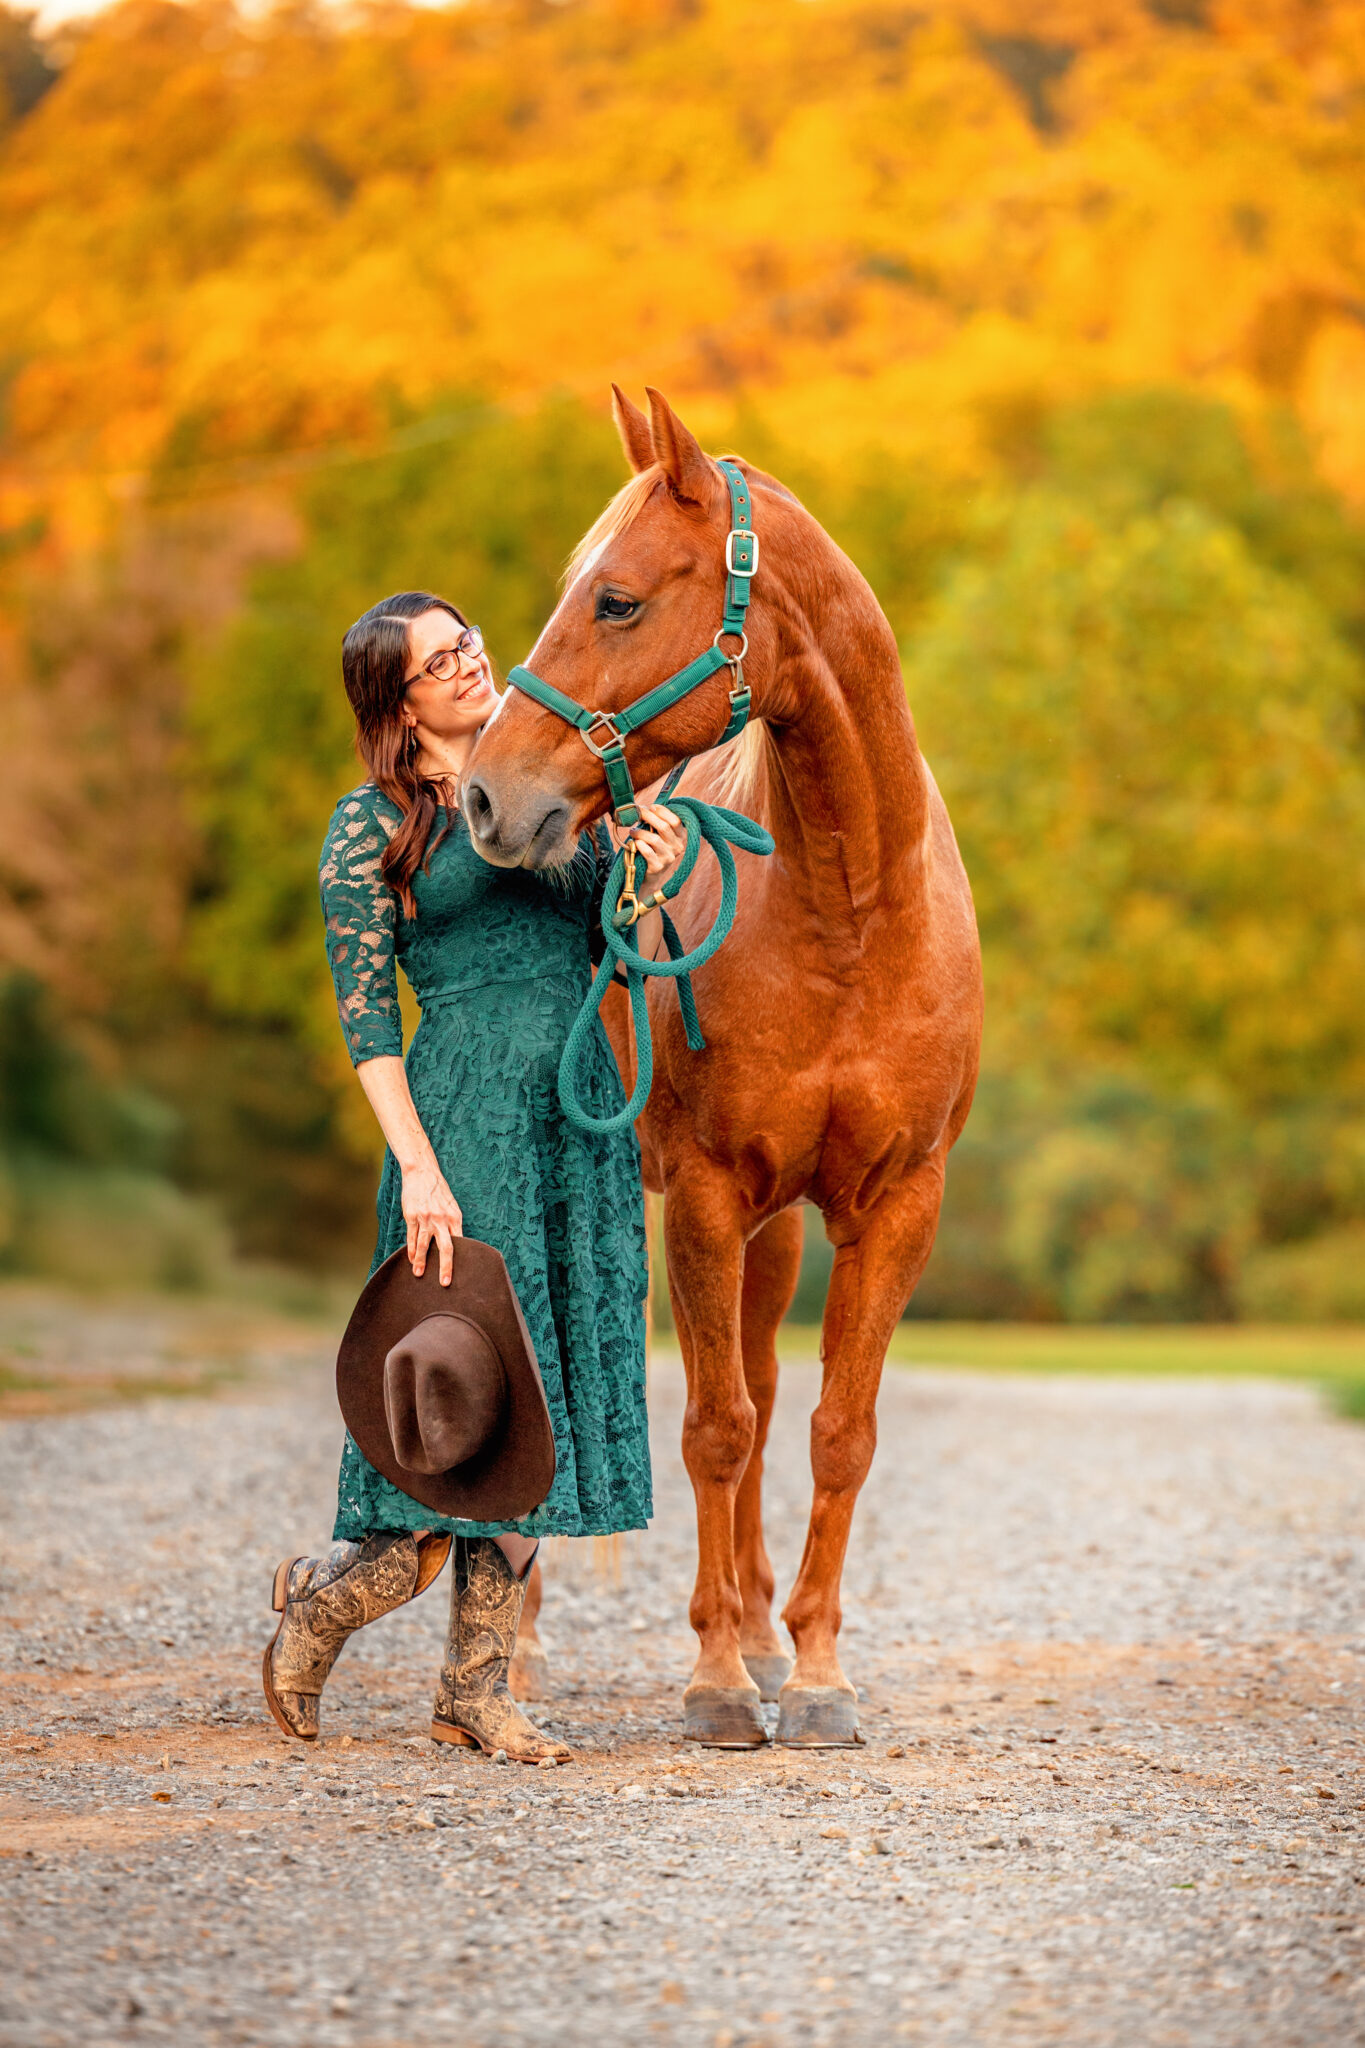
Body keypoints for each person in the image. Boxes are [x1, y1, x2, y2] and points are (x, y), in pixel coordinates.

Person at [261, 591, 684, 1763]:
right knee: (461, 1405)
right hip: (459, 1121)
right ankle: (325, 1601)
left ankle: (474, 1692)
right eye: (442, 661)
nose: (470, 664)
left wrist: (641, 874)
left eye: (469, 644)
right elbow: (370, 1028)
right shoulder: (370, 828)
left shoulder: (562, 795)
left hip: (573, 1118)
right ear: (398, 701)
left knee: (542, 1413)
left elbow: (621, 954)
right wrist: (418, 1171)